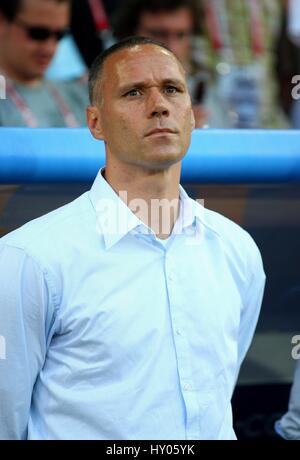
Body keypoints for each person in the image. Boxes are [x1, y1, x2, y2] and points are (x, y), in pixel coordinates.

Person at [0, 36, 265, 440]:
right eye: (133, 92)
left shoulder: (237, 250)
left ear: (192, 115)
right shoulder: (30, 259)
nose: (158, 105)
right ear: (95, 122)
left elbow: (217, 394)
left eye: (172, 90)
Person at [112, 0, 208, 127]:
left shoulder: (207, 85)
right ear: (131, 32)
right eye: (159, 34)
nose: (172, 48)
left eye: (181, 35)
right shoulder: (99, 86)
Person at [0, 0, 88, 127]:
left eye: (60, 35)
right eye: (38, 33)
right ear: (2, 21)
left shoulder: (78, 95)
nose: (49, 48)